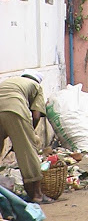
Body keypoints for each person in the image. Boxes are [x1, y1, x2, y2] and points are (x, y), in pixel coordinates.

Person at [0, 70, 51, 204]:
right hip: (13, 108)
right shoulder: (36, 86)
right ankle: (37, 195)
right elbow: (36, 115)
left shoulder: (11, 81)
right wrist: (30, 133)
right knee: (28, 152)